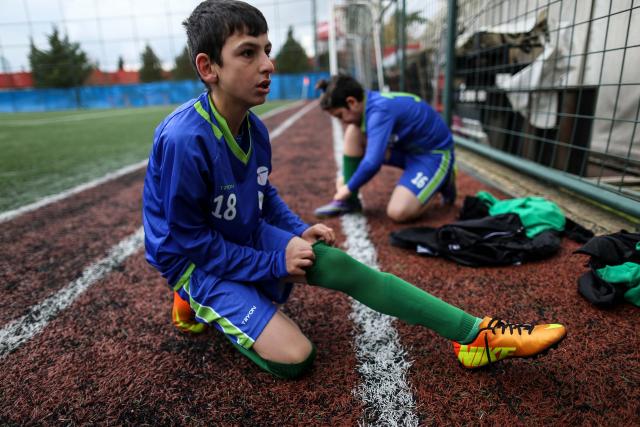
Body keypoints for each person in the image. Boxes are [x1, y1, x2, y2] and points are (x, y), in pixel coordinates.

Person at [142, 0, 566, 380]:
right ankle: (190, 296)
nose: (268, 64)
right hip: (195, 260)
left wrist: (297, 228)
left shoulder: (254, 127)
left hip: (236, 236)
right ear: (207, 67)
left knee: (337, 264)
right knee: (297, 358)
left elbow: (262, 193)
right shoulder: (185, 140)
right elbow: (188, 240)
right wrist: (272, 261)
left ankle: (475, 336)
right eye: (248, 53)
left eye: (267, 50)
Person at [313, 75, 457, 222]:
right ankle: (350, 203)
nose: (342, 121)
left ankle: (443, 181)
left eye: (340, 115)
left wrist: (348, 188)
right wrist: (347, 175)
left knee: (398, 212)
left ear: (352, 102)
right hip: (406, 149)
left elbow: (372, 162)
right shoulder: (370, 102)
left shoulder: (379, 111)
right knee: (353, 131)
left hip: (432, 155)